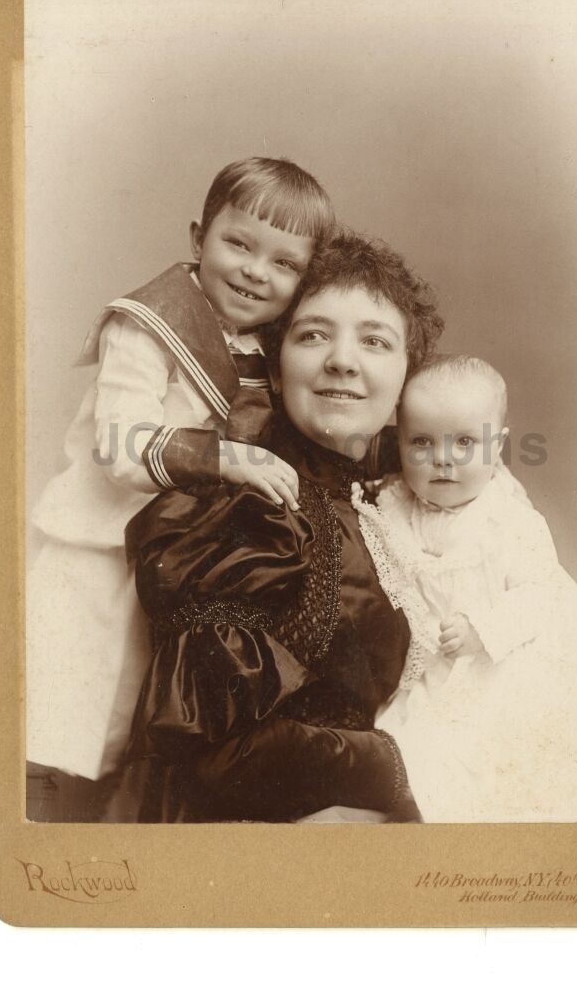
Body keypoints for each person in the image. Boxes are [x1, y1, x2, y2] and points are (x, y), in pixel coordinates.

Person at [26, 157, 335, 819]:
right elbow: (118, 444)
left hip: (173, 572)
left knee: (126, 744)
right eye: (239, 244)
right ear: (199, 237)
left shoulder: (264, 348)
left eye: (284, 263)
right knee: (57, 735)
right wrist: (224, 459)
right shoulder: (148, 323)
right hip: (99, 557)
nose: (256, 270)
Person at [106, 232, 443, 823]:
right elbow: (208, 750)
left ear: (404, 389)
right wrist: (403, 768)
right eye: (313, 334)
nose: (342, 359)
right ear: (277, 372)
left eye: (375, 340)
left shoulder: (397, 504)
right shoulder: (254, 512)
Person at [353, 354, 577, 822]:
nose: (443, 458)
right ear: (399, 442)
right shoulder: (393, 502)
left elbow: (542, 592)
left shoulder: (507, 520)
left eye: (465, 442)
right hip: (432, 664)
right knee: (415, 749)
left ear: (499, 447)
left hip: (500, 655)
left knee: (507, 744)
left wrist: (481, 628)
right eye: (422, 442)